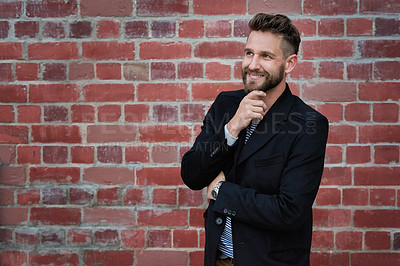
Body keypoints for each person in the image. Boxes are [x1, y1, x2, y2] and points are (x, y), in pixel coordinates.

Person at [181, 13, 329, 266]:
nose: (252, 64)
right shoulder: (226, 105)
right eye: (249, 53)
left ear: (289, 64)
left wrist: (220, 190)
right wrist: (232, 127)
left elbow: (289, 211)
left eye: (266, 56)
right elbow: (192, 174)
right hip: (219, 260)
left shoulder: (309, 124)